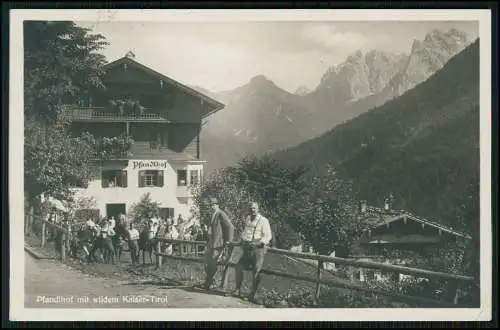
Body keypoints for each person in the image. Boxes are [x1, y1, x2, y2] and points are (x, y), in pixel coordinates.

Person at [231, 201, 273, 301]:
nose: (252, 210)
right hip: (247, 248)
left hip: (258, 249)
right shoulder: (248, 219)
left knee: (256, 271)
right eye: (250, 208)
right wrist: (242, 239)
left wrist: (259, 243)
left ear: (258, 209)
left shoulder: (263, 220)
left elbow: (268, 236)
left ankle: (252, 294)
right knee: (238, 267)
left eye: (254, 208)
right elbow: (246, 232)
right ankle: (237, 290)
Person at [203, 197, 234, 290]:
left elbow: (230, 227)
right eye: (211, 205)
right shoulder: (212, 214)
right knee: (206, 261)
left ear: (217, 205)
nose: (212, 207)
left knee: (213, 262)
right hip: (211, 243)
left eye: (213, 205)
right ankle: (210, 281)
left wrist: (228, 240)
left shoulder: (221, 214)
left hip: (218, 243)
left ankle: (209, 283)